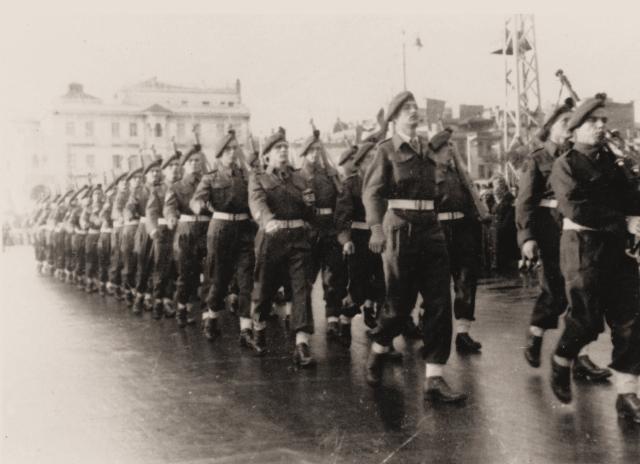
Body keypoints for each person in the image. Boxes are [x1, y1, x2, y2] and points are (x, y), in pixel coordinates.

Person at [362, 91, 466, 403]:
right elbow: (372, 193)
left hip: (430, 227)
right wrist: (376, 228)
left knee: (438, 302)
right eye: (406, 109)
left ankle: (434, 378)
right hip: (400, 227)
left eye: (414, 107)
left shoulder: (426, 148)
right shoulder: (385, 151)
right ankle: (379, 348)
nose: (413, 112)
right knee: (399, 303)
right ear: (393, 119)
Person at [548, 93, 640, 423]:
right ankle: (561, 360)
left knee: (630, 320)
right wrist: (624, 221)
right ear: (575, 130)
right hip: (583, 248)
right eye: (593, 121)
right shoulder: (566, 164)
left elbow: (632, 199)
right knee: (586, 321)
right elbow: (576, 207)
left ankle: (627, 394)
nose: (601, 126)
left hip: (618, 250)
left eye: (603, 120)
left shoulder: (614, 163)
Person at [516, 98, 611, 380]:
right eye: (562, 123)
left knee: (580, 293)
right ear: (550, 129)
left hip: (577, 229)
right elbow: (524, 202)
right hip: (549, 229)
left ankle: (579, 357)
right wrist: (527, 238)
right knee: (555, 289)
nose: (569, 128)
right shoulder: (538, 159)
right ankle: (535, 334)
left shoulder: (579, 156)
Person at [249, 127, 317, 365]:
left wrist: (311, 207)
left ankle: (301, 343)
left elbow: (310, 210)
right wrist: (267, 221)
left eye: (285, 147)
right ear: (267, 155)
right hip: (272, 238)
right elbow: (257, 203)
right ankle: (258, 328)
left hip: (298, 238)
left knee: (301, 289)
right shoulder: (259, 178)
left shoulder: (300, 178)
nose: (283, 151)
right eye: (278, 148)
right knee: (264, 288)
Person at [191, 130, 257, 344]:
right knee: (218, 278)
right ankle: (211, 317)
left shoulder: (246, 176)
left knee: (246, 280)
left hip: (245, 230)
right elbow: (197, 199)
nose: (232, 154)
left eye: (234, 149)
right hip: (220, 230)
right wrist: (199, 205)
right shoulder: (210, 178)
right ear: (219, 155)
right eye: (227, 150)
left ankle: (246, 329)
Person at [428, 128, 483, 354]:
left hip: (462, 229)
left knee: (466, 281)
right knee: (435, 284)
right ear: (437, 151)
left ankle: (463, 332)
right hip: (438, 229)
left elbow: (470, 199)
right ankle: (428, 326)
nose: (451, 150)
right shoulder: (428, 173)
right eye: (446, 147)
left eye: (452, 146)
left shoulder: (459, 173)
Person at [297, 129, 347, 339]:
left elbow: (341, 199)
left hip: (330, 229)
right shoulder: (298, 176)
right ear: (305, 152)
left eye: (318, 149)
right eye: (311, 150)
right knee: (306, 279)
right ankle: (301, 323)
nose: (315, 154)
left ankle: (332, 319)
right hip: (310, 230)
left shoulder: (330, 174)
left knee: (333, 276)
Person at [335, 141, 385, 343]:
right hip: (359, 239)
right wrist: (346, 240)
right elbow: (342, 216)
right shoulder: (351, 184)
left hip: (381, 238)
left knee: (382, 284)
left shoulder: (384, 182)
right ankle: (345, 322)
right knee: (358, 286)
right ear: (361, 162)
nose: (374, 160)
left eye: (376, 156)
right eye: (370, 157)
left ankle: (380, 331)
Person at [164, 143, 209, 327]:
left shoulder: (208, 182)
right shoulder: (176, 186)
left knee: (208, 274)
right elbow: (169, 207)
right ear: (184, 165)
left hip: (206, 232)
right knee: (186, 274)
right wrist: (171, 217)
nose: (194, 164)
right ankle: (181, 307)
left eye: (197, 161)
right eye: (190, 161)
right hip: (186, 233)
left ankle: (208, 315)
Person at [146, 153, 181, 320]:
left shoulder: (182, 186)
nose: (175, 169)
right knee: (161, 267)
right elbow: (151, 212)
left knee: (176, 267)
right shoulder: (158, 189)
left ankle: (169, 299)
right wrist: (153, 229)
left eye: (177, 166)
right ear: (164, 171)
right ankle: (158, 300)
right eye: (171, 166)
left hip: (180, 231)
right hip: (163, 232)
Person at [128, 159, 163, 314]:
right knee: (143, 264)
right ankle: (139, 298)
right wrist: (129, 213)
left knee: (160, 265)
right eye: (152, 172)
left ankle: (156, 300)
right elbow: (130, 206)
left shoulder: (165, 188)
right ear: (146, 175)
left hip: (161, 227)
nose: (155, 174)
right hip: (144, 229)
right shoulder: (139, 191)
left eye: (157, 171)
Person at [121, 168, 143, 305]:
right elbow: (119, 210)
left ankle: (141, 292)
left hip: (142, 228)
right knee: (129, 262)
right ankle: (128, 290)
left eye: (140, 178)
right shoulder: (123, 195)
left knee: (141, 261)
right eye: (135, 178)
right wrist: (128, 214)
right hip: (130, 229)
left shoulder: (145, 191)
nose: (138, 181)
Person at [82, 185, 104, 293]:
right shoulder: (88, 208)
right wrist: (91, 222)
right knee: (90, 260)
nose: (97, 196)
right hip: (92, 235)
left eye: (99, 193)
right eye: (95, 194)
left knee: (101, 260)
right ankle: (89, 283)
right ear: (92, 196)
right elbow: (83, 222)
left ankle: (99, 284)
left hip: (102, 235)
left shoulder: (105, 206)